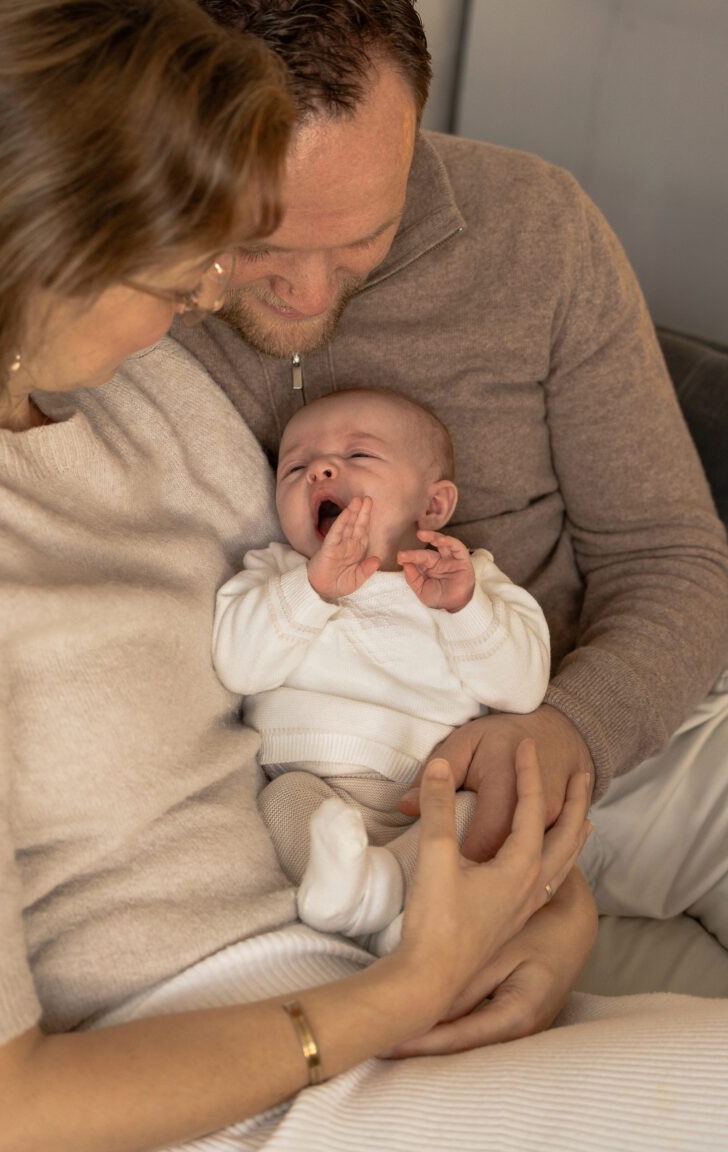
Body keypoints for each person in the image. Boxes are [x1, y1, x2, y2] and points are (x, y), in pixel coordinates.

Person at [181, 0, 728, 960]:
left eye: (362, 237)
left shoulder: (536, 226)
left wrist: (574, 732)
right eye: (258, 241)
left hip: (587, 735)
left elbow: (670, 555)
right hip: (319, 785)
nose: (310, 296)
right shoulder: (128, 290)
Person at [213, 387, 550, 951]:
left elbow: (522, 690)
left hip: (426, 788)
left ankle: (389, 891)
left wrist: (464, 610)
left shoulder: (472, 581)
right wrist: (312, 587)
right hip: (307, 776)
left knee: (477, 814)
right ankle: (357, 896)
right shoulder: (276, 572)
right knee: (284, 804)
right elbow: (237, 666)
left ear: (433, 506)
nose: (319, 469)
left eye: (359, 456)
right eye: (294, 466)